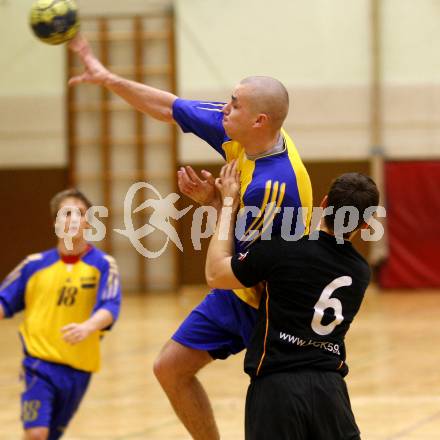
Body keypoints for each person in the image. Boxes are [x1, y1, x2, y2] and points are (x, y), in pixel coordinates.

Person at [68, 33, 312, 440]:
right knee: (169, 368)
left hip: (274, 306)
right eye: (229, 99)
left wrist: (219, 203)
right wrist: (109, 78)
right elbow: (169, 107)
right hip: (240, 291)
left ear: (259, 121)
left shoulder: (272, 186)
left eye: (235, 104)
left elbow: (231, 270)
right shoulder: (239, 132)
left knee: (276, 411)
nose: (224, 108)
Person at [206, 162, 379, 439]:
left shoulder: (282, 248)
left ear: (323, 203)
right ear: (367, 223)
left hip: (276, 389)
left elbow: (216, 274)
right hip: (330, 392)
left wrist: (227, 204)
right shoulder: (360, 272)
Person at [0, 189, 121, 440]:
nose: (73, 220)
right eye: (66, 214)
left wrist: (88, 326)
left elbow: (110, 306)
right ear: (55, 223)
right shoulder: (33, 265)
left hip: (79, 369)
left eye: (80, 214)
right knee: (36, 433)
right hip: (38, 364)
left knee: (51, 435)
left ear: (88, 222)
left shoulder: (103, 265)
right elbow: (4, 302)